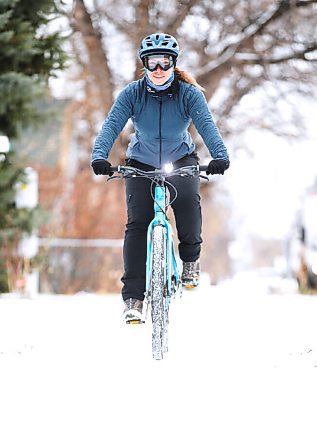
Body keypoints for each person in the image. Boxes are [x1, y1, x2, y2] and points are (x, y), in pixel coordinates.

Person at [91, 32, 230, 323]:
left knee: (188, 204)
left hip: (181, 159)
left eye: (164, 63)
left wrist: (219, 156)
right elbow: (110, 125)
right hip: (140, 162)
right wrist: (99, 156)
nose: (158, 70)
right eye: (152, 63)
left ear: (173, 63)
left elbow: (207, 125)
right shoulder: (132, 93)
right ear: (144, 64)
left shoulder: (189, 93)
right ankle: (133, 299)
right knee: (137, 224)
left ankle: (190, 260)